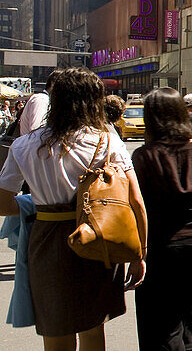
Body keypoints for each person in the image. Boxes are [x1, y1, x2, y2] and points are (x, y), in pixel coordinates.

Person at [0, 68, 149, 348]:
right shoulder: (107, 140)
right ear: (94, 101)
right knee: (92, 329)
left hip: (45, 239)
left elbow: (2, 203)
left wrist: (33, 203)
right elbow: (135, 201)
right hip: (98, 237)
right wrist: (139, 253)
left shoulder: (24, 145)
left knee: (55, 331)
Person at [131, 88, 192, 350]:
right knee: (181, 310)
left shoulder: (144, 155)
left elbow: (137, 208)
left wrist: (135, 252)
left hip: (160, 247)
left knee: (160, 324)